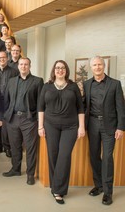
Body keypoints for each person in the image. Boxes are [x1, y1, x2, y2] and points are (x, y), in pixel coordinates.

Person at [38, 60, 85, 204]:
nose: (60, 70)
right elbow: (41, 108)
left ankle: (58, 190)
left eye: (62, 68)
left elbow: (80, 108)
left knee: (64, 156)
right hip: (50, 125)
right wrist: (40, 126)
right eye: (57, 68)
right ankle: (55, 186)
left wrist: (81, 127)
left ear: (66, 70)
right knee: (53, 155)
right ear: (54, 70)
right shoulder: (46, 87)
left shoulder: (73, 86)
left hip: (70, 126)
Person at [83, 56, 125, 205]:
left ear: (104, 66)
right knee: (94, 155)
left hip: (110, 126)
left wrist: (121, 127)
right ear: (91, 68)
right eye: (94, 65)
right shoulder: (87, 84)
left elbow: (121, 107)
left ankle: (108, 192)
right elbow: (83, 106)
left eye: (100, 64)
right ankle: (99, 185)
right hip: (92, 124)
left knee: (107, 158)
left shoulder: (115, 84)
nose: (97, 67)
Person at [2, 57, 43, 186]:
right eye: (21, 64)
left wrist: (37, 120)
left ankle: (30, 174)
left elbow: (41, 103)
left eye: (26, 64)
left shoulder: (37, 81)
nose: (23, 66)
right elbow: (6, 100)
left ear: (30, 66)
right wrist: (6, 114)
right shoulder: (11, 81)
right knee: (15, 146)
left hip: (29, 119)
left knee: (30, 148)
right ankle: (15, 169)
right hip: (12, 118)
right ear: (18, 66)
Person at [0, 51, 19, 157]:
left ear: (7, 58)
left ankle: (7, 147)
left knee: (6, 126)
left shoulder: (14, 71)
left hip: (9, 102)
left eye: (4, 57)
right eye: (0, 58)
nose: (2, 59)